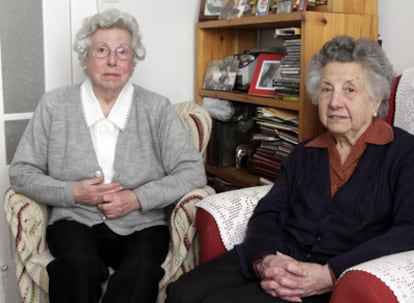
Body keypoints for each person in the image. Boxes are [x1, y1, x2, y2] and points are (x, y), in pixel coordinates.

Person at [165, 35, 414, 303]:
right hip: (279, 258)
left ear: (376, 100)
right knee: (181, 292)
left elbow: (408, 230)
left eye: (350, 90)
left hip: (333, 276)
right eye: (327, 89)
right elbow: (269, 211)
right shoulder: (305, 152)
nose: (334, 102)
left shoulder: (402, 152)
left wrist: (329, 274)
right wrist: (265, 260)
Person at [8, 8, 206, 303]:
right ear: (85, 58)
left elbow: (192, 171)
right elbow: (21, 172)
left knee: (140, 270)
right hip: (74, 221)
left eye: (122, 52)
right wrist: (72, 192)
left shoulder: (156, 108)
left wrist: (136, 198)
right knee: (76, 266)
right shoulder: (54, 106)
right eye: (102, 50)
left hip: (143, 224)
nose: (112, 61)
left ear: (133, 63)